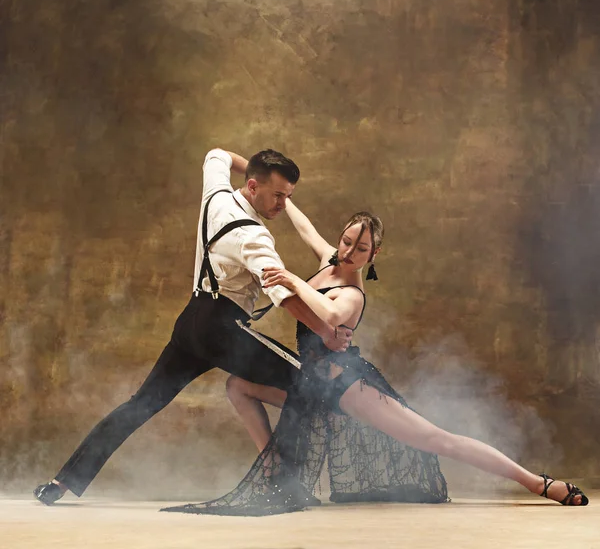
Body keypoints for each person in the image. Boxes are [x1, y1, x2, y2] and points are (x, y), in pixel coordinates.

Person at [161, 200, 588, 516]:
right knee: (237, 386)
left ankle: (537, 482)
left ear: (374, 255)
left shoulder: (351, 294)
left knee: (438, 439)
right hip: (310, 385)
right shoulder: (331, 261)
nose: (347, 253)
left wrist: (291, 277)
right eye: (346, 242)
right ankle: (277, 468)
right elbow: (308, 228)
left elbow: (328, 315)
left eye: (359, 249)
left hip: (347, 386)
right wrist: (283, 195)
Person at [33, 148, 352, 505]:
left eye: (288, 196)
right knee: (304, 382)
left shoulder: (216, 196)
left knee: (141, 403)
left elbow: (216, 155)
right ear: (252, 187)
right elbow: (283, 295)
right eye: (277, 195)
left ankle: (60, 483)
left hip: (191, 322)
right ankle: (281, 483)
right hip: (222, 330)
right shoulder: (254, 236)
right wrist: (326, 332)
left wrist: (262, 171)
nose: (283, 205)